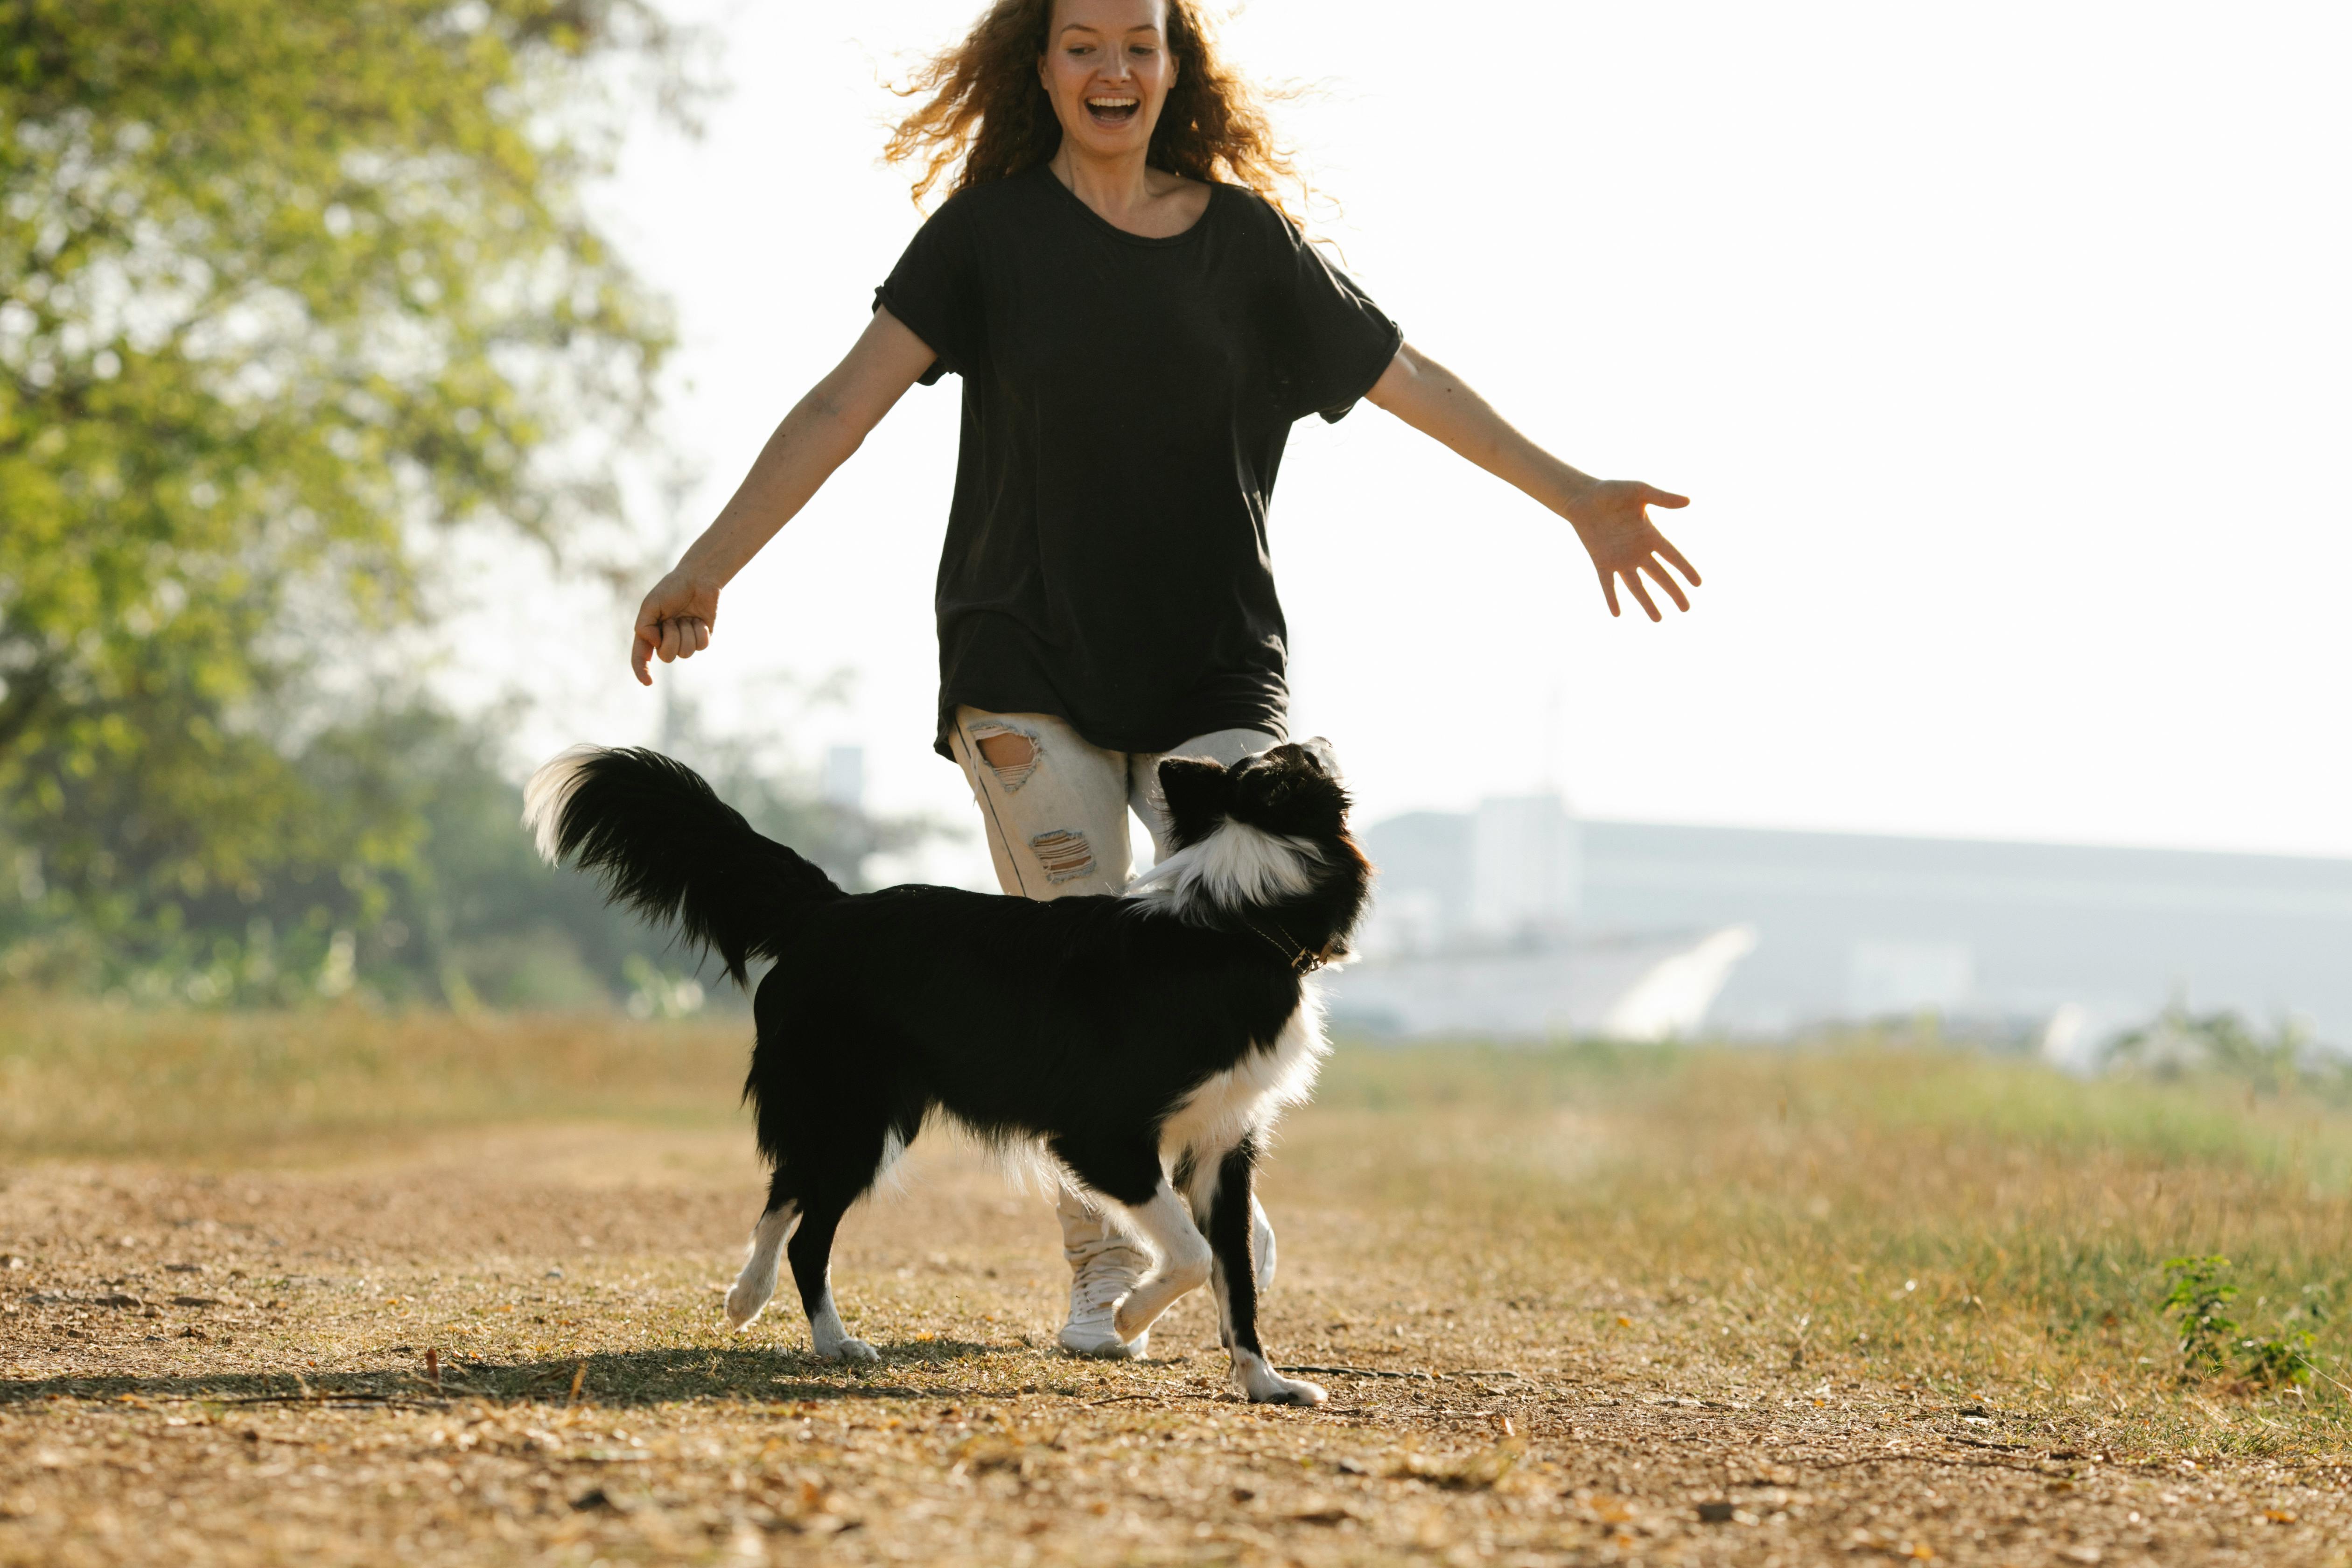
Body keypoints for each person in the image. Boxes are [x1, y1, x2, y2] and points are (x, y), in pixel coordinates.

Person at [626, 0, 1700, 1359]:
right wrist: (710, 563)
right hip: (1024, 661)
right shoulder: (988, 236)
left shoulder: (1247, 245)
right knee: (1072, 966)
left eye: (1138, 41)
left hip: (1212, 661)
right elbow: (843, 404)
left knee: (1244, 948)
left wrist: (1576, 495)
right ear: (1042, 66)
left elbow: (1403, 373)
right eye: (1083, 43)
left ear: (1176, 65)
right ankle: (1103, 1270)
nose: (1112, 69)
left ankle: (1206, 1185)